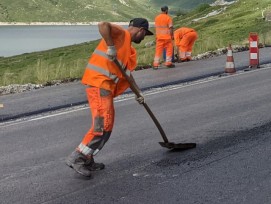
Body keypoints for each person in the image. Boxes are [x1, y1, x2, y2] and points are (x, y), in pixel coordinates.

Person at [65, 18, 153, 177]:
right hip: (99, 84)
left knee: (107, 127)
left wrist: (139, 94)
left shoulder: (128, 49)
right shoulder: (122, 35)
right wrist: (111, 47)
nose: (144, 38)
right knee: (101, 126)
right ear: (141, 30)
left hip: (106, 88)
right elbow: (102, 24)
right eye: (145, 34)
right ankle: (77, 157)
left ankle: (87, 158)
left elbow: (127, 75)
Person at [153, 5, 175, 69]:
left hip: (159, 37)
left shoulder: (157, 18)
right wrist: (172, 36)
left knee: (158, 51)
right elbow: (171, 28)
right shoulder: (168, 18)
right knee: (169, 50)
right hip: (167, 38)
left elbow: (157, 27)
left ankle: (155, 64)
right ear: (166, 10)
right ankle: (168, 63)